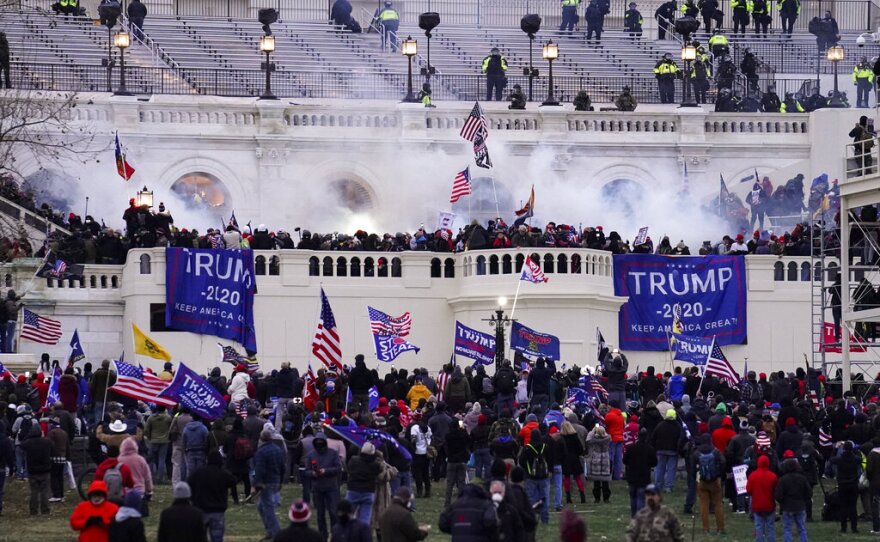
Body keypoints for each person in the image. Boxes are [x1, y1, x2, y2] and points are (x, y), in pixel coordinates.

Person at [188, 450, 236, 542]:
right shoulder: (223, 474)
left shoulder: (198, 473)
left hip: (200, 509)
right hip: (218, 510)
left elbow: (189, 484)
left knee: (199, 537)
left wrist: (192, 498)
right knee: (217, 537)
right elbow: (233, 481)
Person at [305, 431, 342, 539]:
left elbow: (338, 468)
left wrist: (325, 471)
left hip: (331, 487)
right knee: (320, 514)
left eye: (321, 442)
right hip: (317, 488)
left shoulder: (333, 453)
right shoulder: (311, 455)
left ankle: (335, 535)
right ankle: (323, 536)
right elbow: (306, 471)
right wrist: (313, 473)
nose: (319, 444)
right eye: (318, 442)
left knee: (333, 513)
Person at [254, 429, 286, 540]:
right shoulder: (278, 450)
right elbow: (283, 467)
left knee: (268, 509)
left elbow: (259, 469)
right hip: (276, 480)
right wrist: (281, 481)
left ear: (261, 438)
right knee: (261, 506)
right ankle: (270, 530)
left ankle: (276, 533)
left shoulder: (261, 452)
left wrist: (257, 484)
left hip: (266, 482)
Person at [692, 434, 725, 535]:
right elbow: (723, 462)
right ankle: (720, 528)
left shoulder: (696, 453)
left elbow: (692, 467)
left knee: (703, 506)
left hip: (702, 481)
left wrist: (695, 477)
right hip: (715, 481)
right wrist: (720, 474)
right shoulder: (715, 451)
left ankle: (705, 529)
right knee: (717, 505)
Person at [774, 455, 810, 542]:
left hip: (787, 507)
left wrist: (782, 502)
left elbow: (778, 495)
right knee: (802, 528)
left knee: (787, 529)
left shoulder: (783, 480)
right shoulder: (802, 479)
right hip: (800, 506)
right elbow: (809, 492)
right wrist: (804, 500)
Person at [518, 428, 550, 524]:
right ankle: (545, 519)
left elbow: (521, 461)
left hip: (530, 476)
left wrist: (528, 469)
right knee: (544, 497)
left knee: (531, 498)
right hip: (544, 476)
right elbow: (550, 459)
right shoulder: (545, 447)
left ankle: (531, 519)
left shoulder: (527, 448)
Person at [624, 428, 656, 517]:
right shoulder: (650, 449)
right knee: (641, 498)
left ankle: (634, 515)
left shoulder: (631, 448)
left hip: (632, 476)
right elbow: (654, 463)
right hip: (644, 477)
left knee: (633, 497)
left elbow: (624, 460)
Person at [20, 424, 51, 515]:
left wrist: (28, 436)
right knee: (44, 491)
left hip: (32, 470)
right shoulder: (46, 442)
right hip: (45, 469)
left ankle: (33, 510)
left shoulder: (28, 443)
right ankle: (45, 510)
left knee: (34, 491)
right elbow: (53, 448)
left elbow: (21, 445)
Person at [831, 440, 861, 533]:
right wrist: (854, 449)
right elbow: (860, 458)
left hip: (842, 484)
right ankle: (854, 527)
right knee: (853, 506)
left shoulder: (840, 459)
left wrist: (836, 448)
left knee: (843, 506)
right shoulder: (855, 459)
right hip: (853, 484)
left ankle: (843, 527)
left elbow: (831, 459)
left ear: (843, 449)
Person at [747, 455, 778, 542]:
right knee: (770, 527)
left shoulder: (753, 476)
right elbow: (776, 491)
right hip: (769, 505)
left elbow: (748, 490)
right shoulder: (772, 476)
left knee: (759, 527)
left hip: (757, 506)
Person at [586, 424, 612, 503]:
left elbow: (588, 439)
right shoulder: (608, 439)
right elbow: (606, 435)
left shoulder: (593, 440)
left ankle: (597, 498)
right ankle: (606, 498)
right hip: (605, 460)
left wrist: (593, 430)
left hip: (596, 459)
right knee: (605, 481)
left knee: (596, 481)